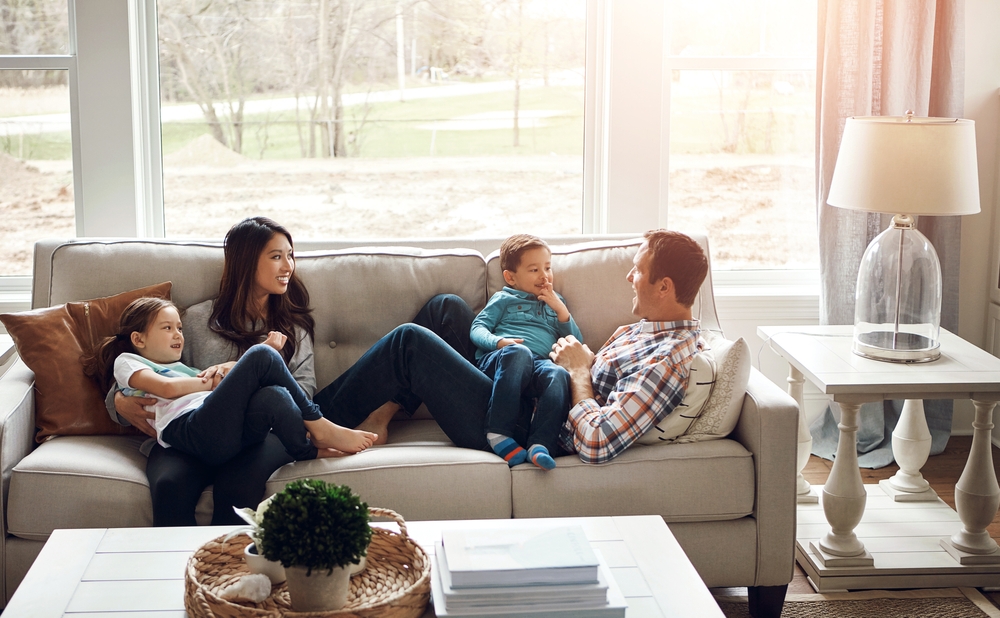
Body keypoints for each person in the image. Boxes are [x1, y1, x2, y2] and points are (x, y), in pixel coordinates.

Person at [313, 229, 709, 465]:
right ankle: (381, 414)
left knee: (409, 342)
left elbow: (598, 441)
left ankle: (310, 422)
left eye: (638, 270)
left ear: (664, 286)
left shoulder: (668, 359)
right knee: (446, 308)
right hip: (522, 386)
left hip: (529, 424)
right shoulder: (645, 330)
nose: (628, 276)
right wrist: (581, 362)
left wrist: (578, 372)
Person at [108, 217, 328, 526]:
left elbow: (302, 395)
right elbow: (156, 367)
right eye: (277, 256)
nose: (288, 266)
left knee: (236, 489)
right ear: (246, 262)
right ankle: (178, 559)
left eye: (290, 256)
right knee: (169, 485)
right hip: (196, 428)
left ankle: (229, 559)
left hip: (262, 433)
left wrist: (242, 385)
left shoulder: (293, 329)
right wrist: (118, 402)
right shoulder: (196, 321)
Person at [91, 297, 374, 466]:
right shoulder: (128, 361)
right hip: (188, 430)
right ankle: (318, 424)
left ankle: (309, 450)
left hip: (218, 435)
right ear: (138, 339)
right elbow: (167, 388)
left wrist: (230, 372)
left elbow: (208, 388)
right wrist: (223, 378)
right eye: (168, 328)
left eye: (179, 328)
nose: (178, 334)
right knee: (263, 354)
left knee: (274, 395)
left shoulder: (183, 368)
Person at [470, 234, 581, 469]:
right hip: (502, 360)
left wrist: (561, 311)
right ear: (510, 277)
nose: (544, 275)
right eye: (534, 270)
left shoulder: (556, 302)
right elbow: (477, 328)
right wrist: (500, 342)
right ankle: (498, 432)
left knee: (559, 374)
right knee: (519, 353)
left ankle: (540, 444)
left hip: (538, 364)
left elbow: (576, 344)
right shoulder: (504, 298)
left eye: (547, 268)